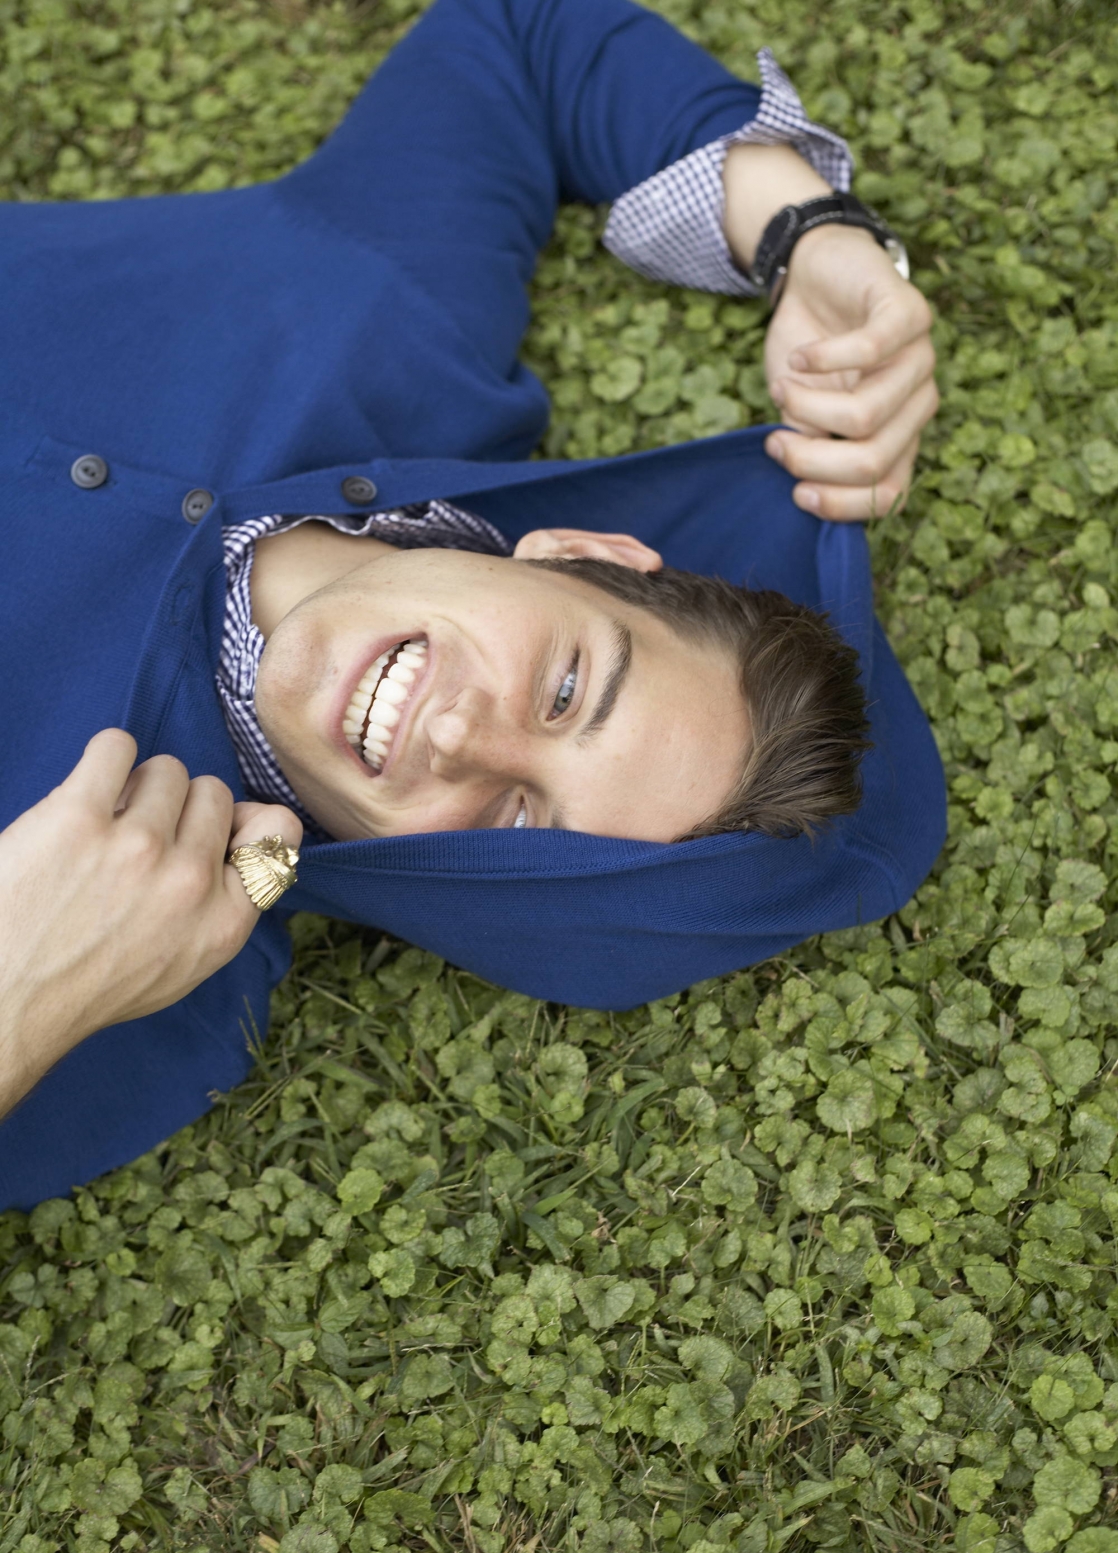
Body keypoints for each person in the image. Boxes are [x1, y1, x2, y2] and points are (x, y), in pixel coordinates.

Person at [0, 0, 945, 1206]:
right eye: (564, 689)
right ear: (573, 552)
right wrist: (812, 235)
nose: (455, 737)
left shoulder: (122, 986)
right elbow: (519, 39)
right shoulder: (396, 328)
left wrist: (22, 989)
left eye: (509, 824)